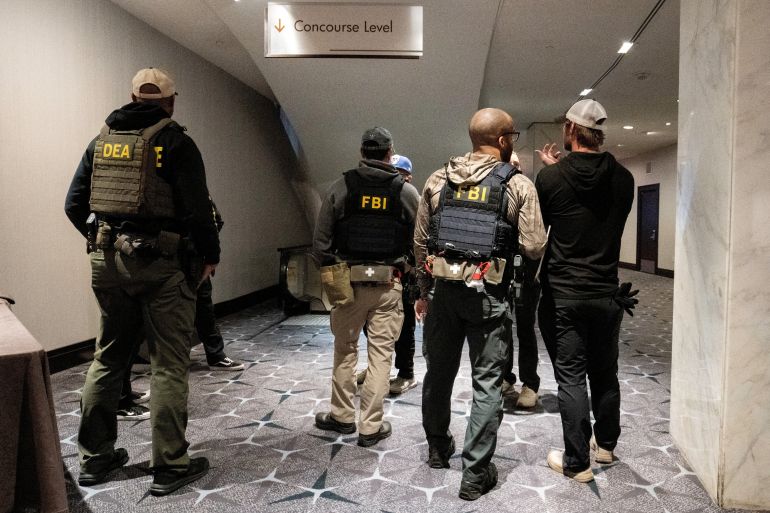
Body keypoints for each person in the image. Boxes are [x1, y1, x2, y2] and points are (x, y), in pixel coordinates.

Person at [64, 68, 219, 496]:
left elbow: (73, 203)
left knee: (108, 357)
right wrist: (210, 257)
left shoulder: (101, 140)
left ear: (132, 96)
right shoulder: (176, 142)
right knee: (168, 364)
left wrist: (104, 240)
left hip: (108, 264)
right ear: (171, 102)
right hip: (162, 265)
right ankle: (170, 465)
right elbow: (196, 211)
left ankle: (95, 459)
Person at [414, 108, 546, 500]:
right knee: (487, 382)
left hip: (442, 294)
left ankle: (438, 449)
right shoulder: (518, 185)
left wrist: (424, 291)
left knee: (438, 373)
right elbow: (534, 244)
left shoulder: (438, 180)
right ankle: (474, 473)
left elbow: (420, 243)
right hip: (488, 297)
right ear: (504, 141)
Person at [535, 99, 635, 483]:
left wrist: (554, 172)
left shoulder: (551, 179)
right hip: (608, 292)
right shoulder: (624, 178)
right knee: (605, 373)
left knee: (572, 377)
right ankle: (606, 446)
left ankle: (577, 462)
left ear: (572, 131)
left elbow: (548, 223)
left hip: (565, 294)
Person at [312, 128, 419, 447]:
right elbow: (421, 241)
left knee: (345, 350)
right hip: (389, 284)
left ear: (362, 152)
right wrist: (410, 270)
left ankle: (342, 417)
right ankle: (371, 425)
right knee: (381, 355)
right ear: (390, 153)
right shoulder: (405, 192)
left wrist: (333, 272)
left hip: (349, 283)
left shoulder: (341, 186)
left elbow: (320, 243)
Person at [116, 200, 242, 421]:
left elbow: (212, 217)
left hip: (142, 260)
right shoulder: (174, 172)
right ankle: (168, 453)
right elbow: (205, 215)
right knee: (166, 356)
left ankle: (119, 405)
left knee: (123, 343)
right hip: (170, 265)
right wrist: (211, 255)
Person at [356, 154, 418, 395]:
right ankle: (378, 368)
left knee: (404, 328)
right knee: (372, 325)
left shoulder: (409, 195)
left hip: (402, 272)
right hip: (374, 270)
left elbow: (419, 235)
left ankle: (406, 373)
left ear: (407, 176)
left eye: (397, 173)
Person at [501, 151, 542, 409]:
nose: (513, 168)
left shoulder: (528, 192)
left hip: (526, 274)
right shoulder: (495, 193)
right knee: (501, 329)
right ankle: (506, 378)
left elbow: (536, 240)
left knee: (526, 329)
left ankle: (530, 383)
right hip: (500, 273)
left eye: (517, 164)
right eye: (509, 164)